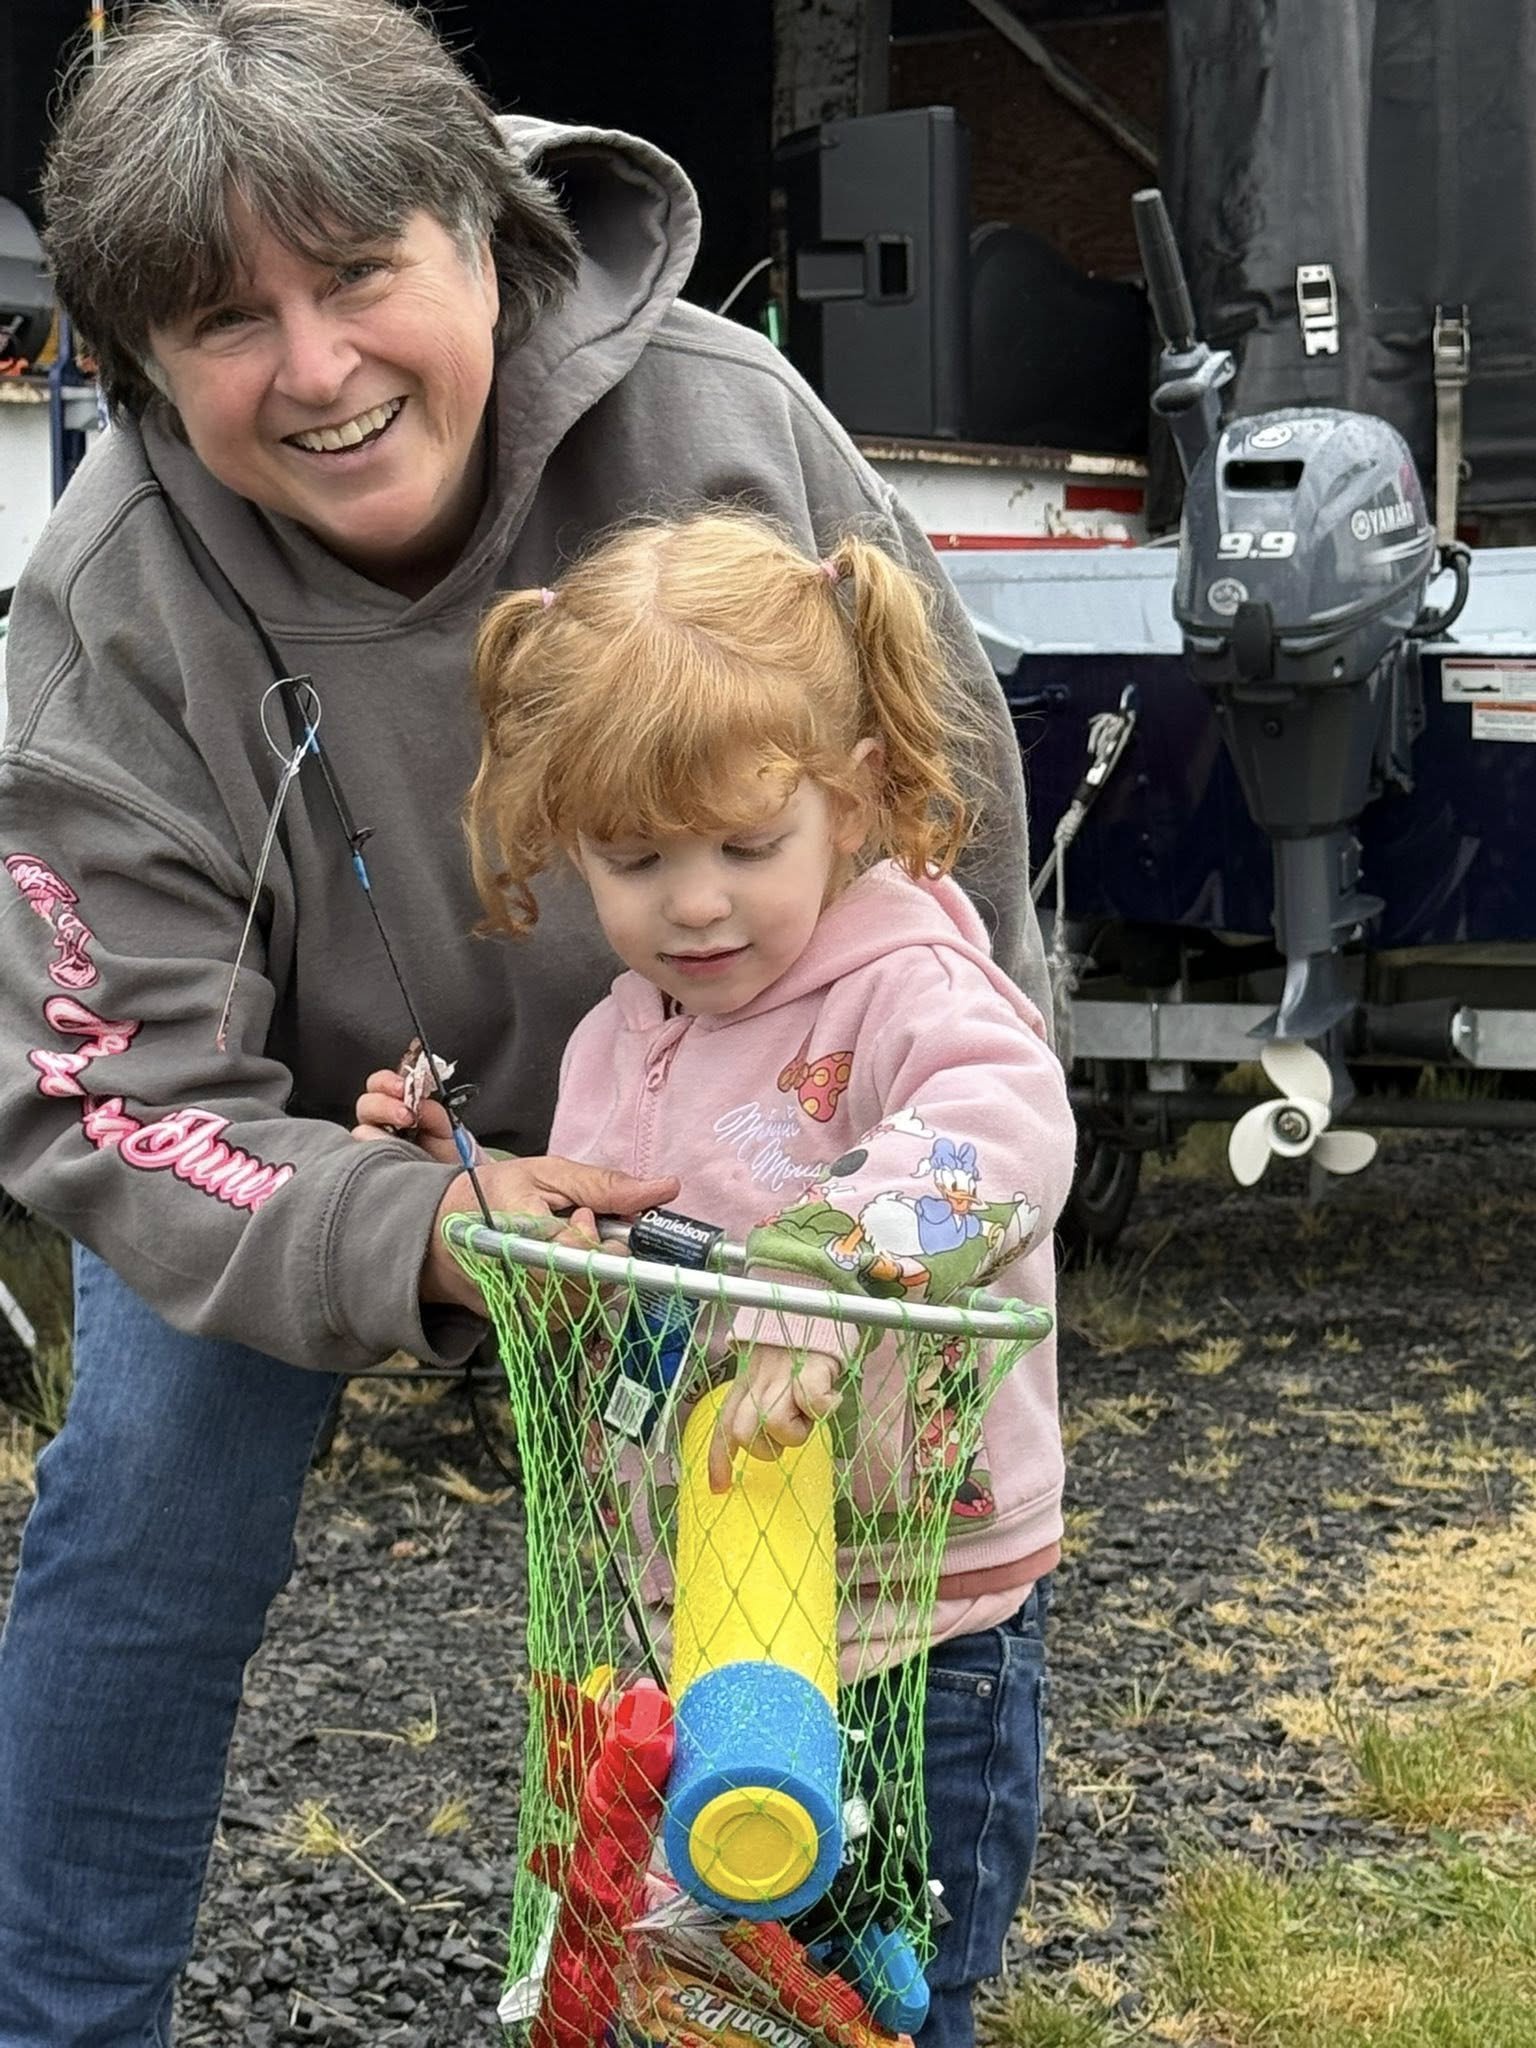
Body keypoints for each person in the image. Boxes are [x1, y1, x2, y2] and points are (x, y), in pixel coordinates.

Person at [0, 2, 1052, 2040]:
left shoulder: (730, 431)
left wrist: (890, 1198)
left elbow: (955, 858)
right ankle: (55, 2012)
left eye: (364, 274)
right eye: (226, 321)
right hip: (333, 1142)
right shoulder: (110, 606)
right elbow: (107, 1090)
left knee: (849, 1599)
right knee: (134, 1505)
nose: (316, 371)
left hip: (768, 1103)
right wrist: (410, 1225)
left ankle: (828, 1956)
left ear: (490, 241)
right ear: (140, 360)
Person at [354, 510, 1074, 2048]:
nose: (695, 903)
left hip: (910, 1624)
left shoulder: (908, 986)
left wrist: (817, 1281)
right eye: (636, 859)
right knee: (712, 1993)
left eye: (749, 847)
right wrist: (462, 1173)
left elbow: (1001, 1136)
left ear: (856, 798)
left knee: (877, 1994)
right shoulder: (626, 1033)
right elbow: (619, 1254)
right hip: (687, 1617)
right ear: (563, 842)